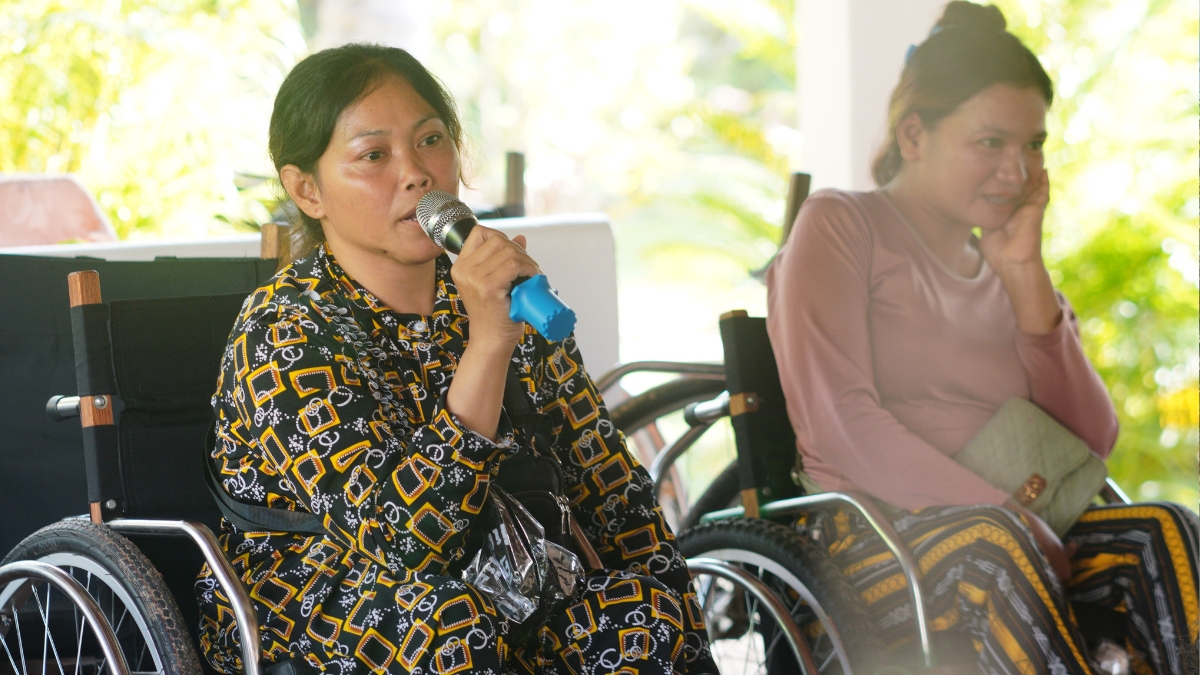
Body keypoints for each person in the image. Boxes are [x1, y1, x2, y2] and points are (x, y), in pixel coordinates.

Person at [195, 43, 718, 675]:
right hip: (317, 595)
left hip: (508, 570)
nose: (416, 174)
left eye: (431, 140)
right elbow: (407, 541)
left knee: (647, 618)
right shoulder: (284, 330)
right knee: (450, 629)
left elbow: (604, 478)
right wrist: (490, 344)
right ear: (308, 190)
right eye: (374, 155)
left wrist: (668, 599)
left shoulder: (501, 294)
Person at [766, 3, 1199, 674]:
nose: (1018, 171)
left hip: (1016, 528)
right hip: (877, 542)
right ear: (914, 136)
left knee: (1165, 528)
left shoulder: (1004, 262)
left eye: (1033, 146)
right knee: (998, 547)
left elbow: (1091, 440)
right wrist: (1003, 511)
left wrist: (1025, 272)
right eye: (990, 142)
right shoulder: (843, 226)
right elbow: (840, 425)